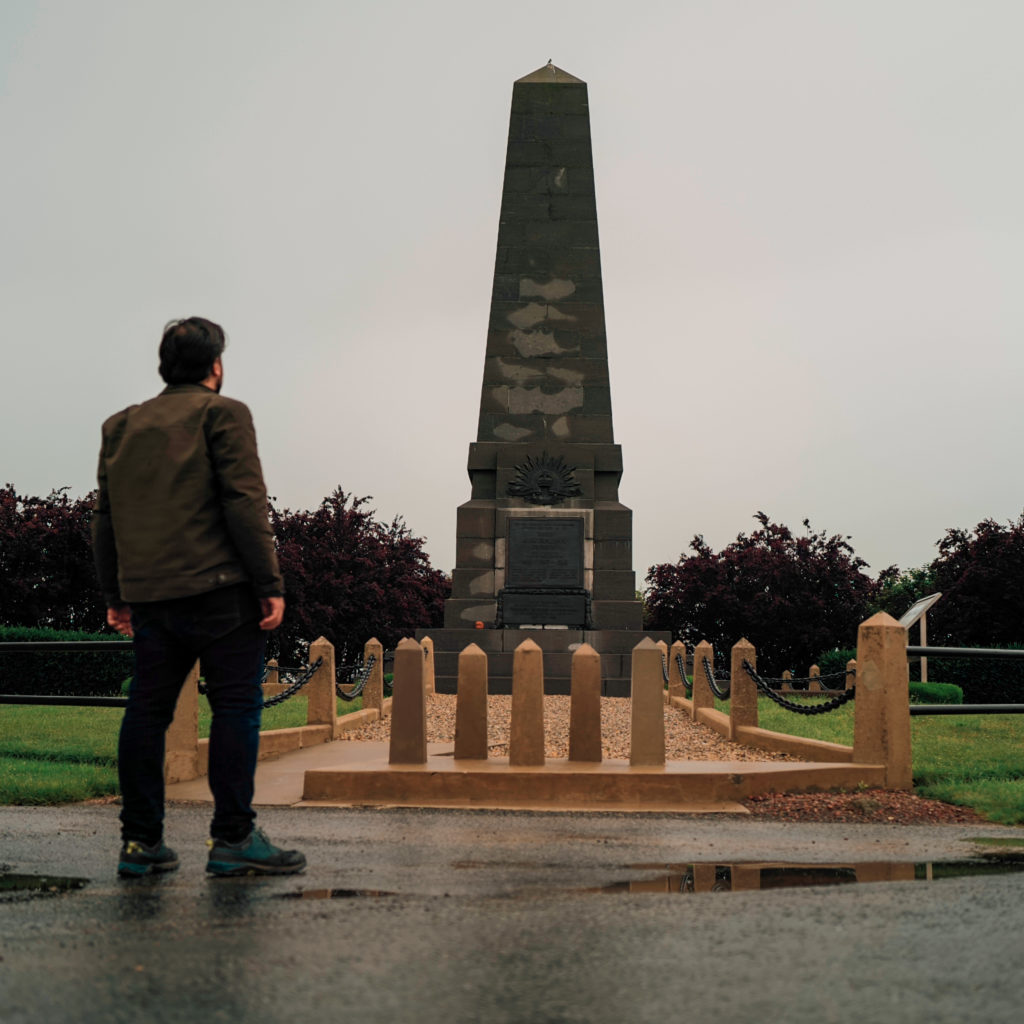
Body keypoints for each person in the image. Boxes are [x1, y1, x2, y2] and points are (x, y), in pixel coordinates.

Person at [92, 317, 305, 878]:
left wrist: (115, 594)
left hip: (153, 598)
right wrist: (270, 585)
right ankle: (232, 838)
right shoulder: (223, 413)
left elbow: (105, 519)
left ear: (166, 365)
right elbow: (244, 503)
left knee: (146, 713)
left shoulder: (121, 425)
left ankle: (140, 844)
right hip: (220, 593)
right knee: (236, 707)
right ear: (216, 366)